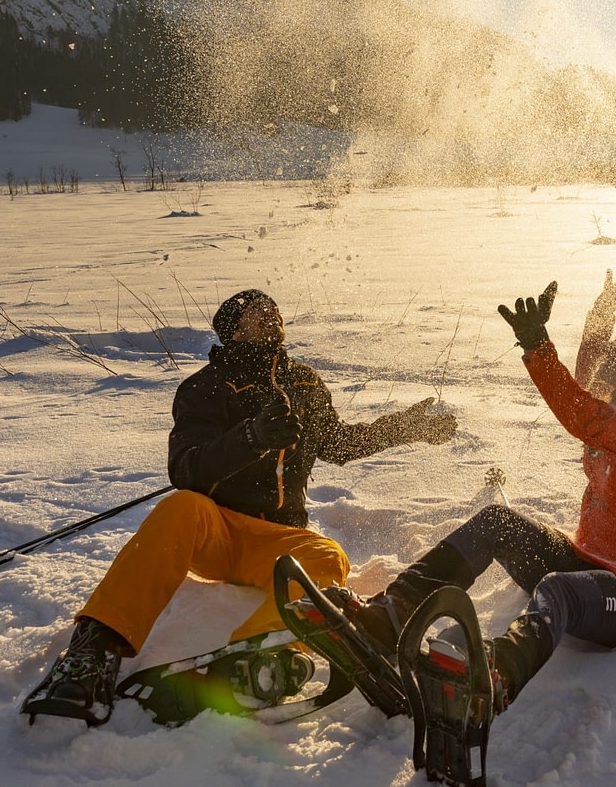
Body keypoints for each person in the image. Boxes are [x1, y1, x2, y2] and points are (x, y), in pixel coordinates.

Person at [23, 289, 456, 725]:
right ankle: (92, 650)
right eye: (256, 311)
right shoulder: (204, 388)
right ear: (233, 329)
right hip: (218, 531)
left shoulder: (304, 382)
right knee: (181, 507)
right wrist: (251, 438)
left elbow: (338, 444)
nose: (271, 315)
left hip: (279, 541)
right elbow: (185, 469)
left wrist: (403, 429)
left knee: (328, 556)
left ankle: (261, 656)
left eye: (275, 309)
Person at [346, 270, 616, 717]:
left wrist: (539, 347)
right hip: (589, 563)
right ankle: (391, 614)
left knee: (559, 593)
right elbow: (584, 385)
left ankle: (496, 674)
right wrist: (602, 312)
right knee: (495, 522)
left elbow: (583, 416)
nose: (610, 355)